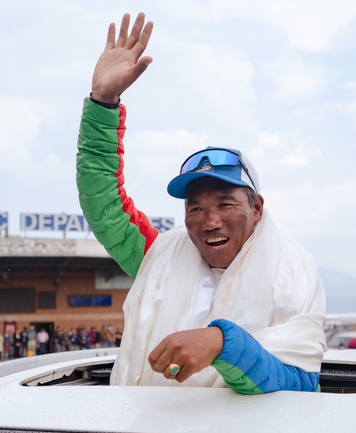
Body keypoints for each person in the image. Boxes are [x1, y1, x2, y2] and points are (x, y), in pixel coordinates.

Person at [77, 12, 326, 394]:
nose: (209, 221)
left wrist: (223, 344)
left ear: (257, 209)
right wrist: (103, 103)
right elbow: (104, 202)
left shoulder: (295, 274)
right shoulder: (159, 256)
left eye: (226, 203)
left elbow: (301, 382)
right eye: (195, 208)